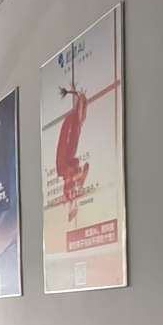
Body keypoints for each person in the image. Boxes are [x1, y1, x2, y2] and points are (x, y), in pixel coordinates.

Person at [54, 82, 90, 223]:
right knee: (72, 175)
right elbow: (65, 142)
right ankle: (72, 202)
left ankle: (72, 201)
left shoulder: (76, 123)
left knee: (73, 175)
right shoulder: (72, 122)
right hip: (65, 158)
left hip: (66, 159)